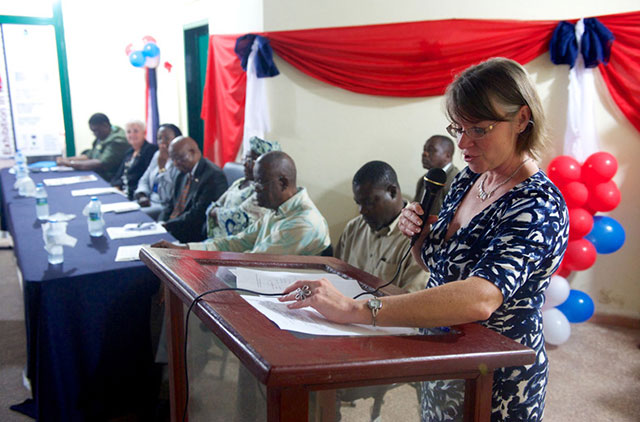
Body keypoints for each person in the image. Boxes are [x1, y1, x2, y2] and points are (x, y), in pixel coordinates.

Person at [280, 58, 569, 422]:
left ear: (522, 120)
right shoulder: (469, 180)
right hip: (443, 358)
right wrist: (419, 236)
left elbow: (480, 297)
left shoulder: (538, 204)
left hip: (496, 375)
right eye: (457, 128)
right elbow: (438, 267)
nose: (463, 143)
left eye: (479, 129)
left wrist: (359, 310)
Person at [153, 151, 331, 256]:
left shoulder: (303, 223)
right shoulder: (278, 208)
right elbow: (239, 242)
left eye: (260, 182)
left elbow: (255, 261)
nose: (255, 189)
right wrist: (183, 249)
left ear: (283, 183)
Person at [336, 161, 427, 293]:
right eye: (358, 203)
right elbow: (336, 278)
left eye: (369, 202)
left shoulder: (418, 238)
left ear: (392, 192)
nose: (362, 211)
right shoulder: (353, 228)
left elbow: (412, 302)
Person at [204, 136, 281, 240]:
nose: (244, 164)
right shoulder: (239, 182)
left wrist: (217, 212)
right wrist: (216, 211)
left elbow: (239, 218)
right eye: (245, 158)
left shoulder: (263, 190)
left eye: (250, 160)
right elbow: (215, 205)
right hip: (219, 238)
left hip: (239, 242)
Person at [158, 136, 228, 243]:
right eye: (173, 159)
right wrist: (160, 221)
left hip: (191, 234)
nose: (176, 163)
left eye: (179, 158)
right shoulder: (181, 173)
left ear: (192, 152)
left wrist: (167, 225)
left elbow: (198, 214)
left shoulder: (213, 176)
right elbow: (171, 203)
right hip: (173, 228)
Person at [56, 113, 129, 181]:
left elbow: (100, 163)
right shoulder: (103, 135)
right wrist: (66, 159)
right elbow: (89, 155)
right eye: (93, 131)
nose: (95, 134)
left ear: (105, 126)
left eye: (96, 131)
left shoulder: (117, 140)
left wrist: (70, 163)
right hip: (98, 175)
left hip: (110, 178)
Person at [134, 124, 182, 220]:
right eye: (159, 138)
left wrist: (162, 168)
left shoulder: (180, 160)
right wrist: (142, 195)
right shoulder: (157, 154)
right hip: (148, 201)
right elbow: (144, 179)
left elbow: (167, 197)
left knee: (134, 215)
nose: (162, 143)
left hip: (162, 206)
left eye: (166, 139)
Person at [110, 120, 158, 200]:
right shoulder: (129, 152)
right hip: (122, 193)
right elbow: (118, 175)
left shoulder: (151, 150)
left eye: (135, 131)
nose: (132, 135)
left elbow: (146, 178)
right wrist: (117, 188)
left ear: (144, 133)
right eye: (128, 132)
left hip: (137, 195)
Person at [414, 135, 459, 216]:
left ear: (447, 155)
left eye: (431, 150)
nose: (425, 153)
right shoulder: (424, 179)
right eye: (424, 149)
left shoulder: (457, 181)